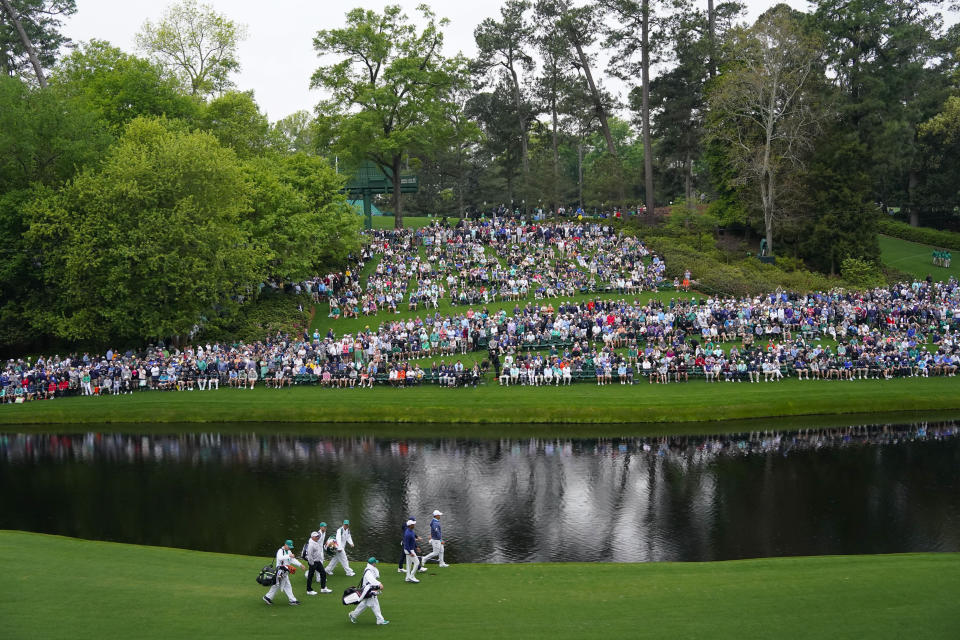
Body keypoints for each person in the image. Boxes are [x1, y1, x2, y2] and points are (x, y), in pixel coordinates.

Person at [348, 558, 389, 625]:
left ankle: (353, 615)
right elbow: (371, 579)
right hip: (368, 590)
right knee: (375, 605)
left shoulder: (370, 569)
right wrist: (379, 584)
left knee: (364, 604)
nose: (376, 564)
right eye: (375, 563)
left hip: (369, 590)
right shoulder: (368, 571)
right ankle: (380, 620)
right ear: (373, 563)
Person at [263, 539, 302, 606]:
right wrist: (289, 556)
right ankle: (292, 600)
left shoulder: (289, 551)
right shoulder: (280, 551)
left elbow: (292, 560)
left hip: (285, 572)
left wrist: (300, 564)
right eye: (289, 546)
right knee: (283, 585)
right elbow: (280, 558)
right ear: (285, 545)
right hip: (280, 571)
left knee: (278, 585)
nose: (289, 548)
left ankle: (267, 597)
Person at [304, 530, 331, 595]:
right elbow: (309, 555)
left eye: (318, 536)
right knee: (310, 576)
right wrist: (312, 564)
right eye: (316, 536)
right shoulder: (311, 544)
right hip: (313, 562)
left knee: (323, 573)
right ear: (312, 537)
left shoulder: (316, 542)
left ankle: (323, 588)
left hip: (317, 561)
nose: (317, 537)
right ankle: (309, 590)